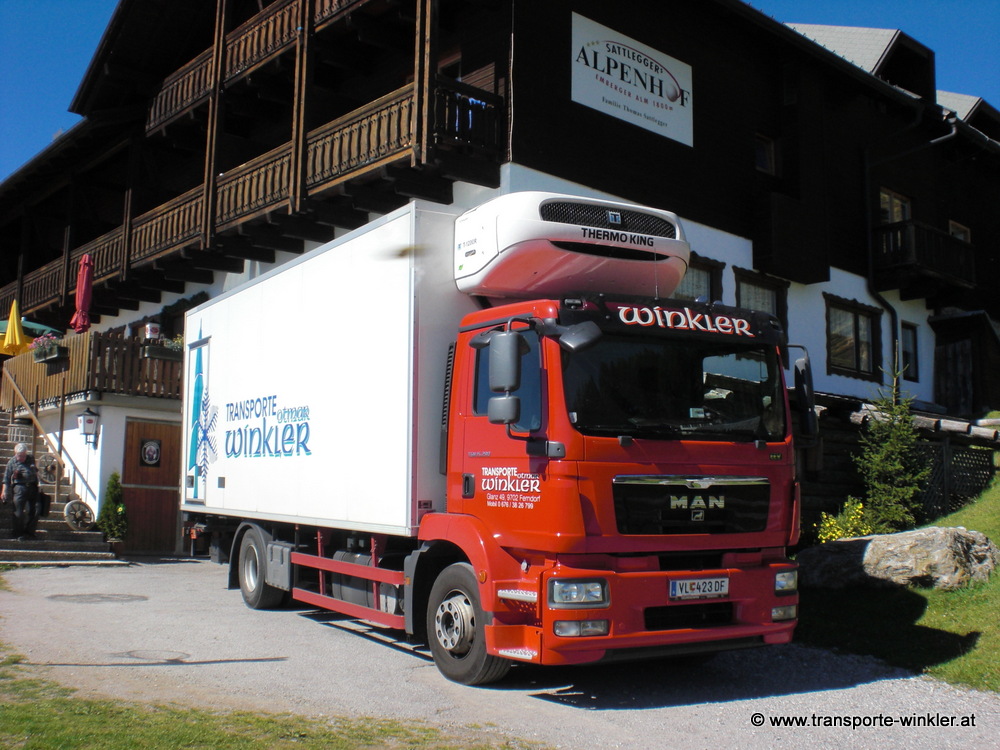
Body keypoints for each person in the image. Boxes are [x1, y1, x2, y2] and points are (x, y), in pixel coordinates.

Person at [1, 443, 41, 541]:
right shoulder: (12, 462)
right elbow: (6, 479)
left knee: (36, 509)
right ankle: (18, 533)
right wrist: (4, 491)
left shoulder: (31, 458)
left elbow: (37, 471)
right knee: (18, 512)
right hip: (19, 488)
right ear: (15, 454)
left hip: (32, 486)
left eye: (23, 455)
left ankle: (30, 532)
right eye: (19, 455)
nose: (21, 458)